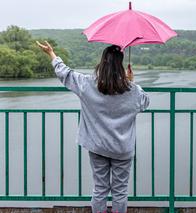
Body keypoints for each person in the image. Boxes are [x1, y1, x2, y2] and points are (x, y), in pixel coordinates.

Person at [37, 41, 150, 213]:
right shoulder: (132, 90)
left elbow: (64, 73)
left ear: (102, 62)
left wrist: (52, 54)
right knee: (120, 192)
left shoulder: (87, 84)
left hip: (97, 147)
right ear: (120, 64)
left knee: (100, 189)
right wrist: (131, 83)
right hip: (122, 149)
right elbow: (144, 103)